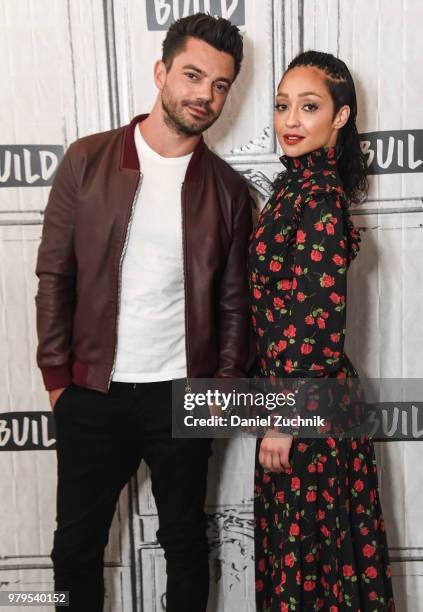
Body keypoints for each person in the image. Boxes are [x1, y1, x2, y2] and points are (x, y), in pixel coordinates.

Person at [35, 13, 252, 612]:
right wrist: (59, 382)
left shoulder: (230, 193)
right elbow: (55, 275)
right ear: (161, 72)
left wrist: (223, 393)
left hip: (183, 395)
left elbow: (235, 308)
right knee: (73, 551)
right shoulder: (86, 160)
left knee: (184, 543)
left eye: (220, 84)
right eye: (192, 75)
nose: (204, 95)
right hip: (93, 392)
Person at [249, 51, 395, 610]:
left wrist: (286, 421)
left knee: (313, 561)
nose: (290, 120)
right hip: (294, 401)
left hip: (310, 407)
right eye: (283, 106)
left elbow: (316, 324)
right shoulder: (293, 189)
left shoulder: (323, 197)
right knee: (304, 555)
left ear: (339, 117)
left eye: (308, 107)